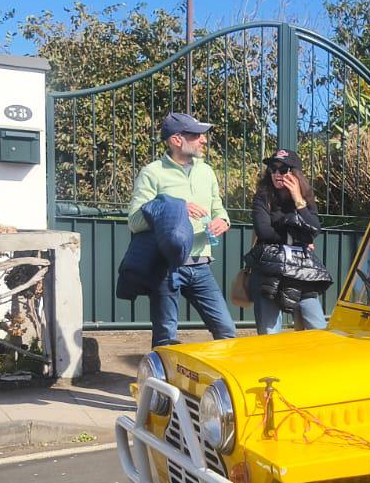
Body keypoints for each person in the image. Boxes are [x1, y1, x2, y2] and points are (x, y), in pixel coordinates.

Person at [127, 112, 236, 347]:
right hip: (166, 266)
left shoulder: (206, 172)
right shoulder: (152, 172)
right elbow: (135, 221)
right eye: (196, 135)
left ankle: (221, 384)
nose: (203, 140)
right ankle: (158, 383)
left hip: (201, 265)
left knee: (227, 330)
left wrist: (224, 221)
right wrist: (175, 209)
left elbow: (218, 208)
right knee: (166, 337)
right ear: (177, 140)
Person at [247, 149, 331, 335]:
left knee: (318, 328)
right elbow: (264, 231)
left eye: (283, 169)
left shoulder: (304, 198)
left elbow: (314, 229)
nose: (277, 173)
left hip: (300, 269)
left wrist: (298, 199)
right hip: (270, 270)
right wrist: (297, 234)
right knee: (269, 333)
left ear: (295, 173)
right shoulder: (263, 196)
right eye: (272, 168)